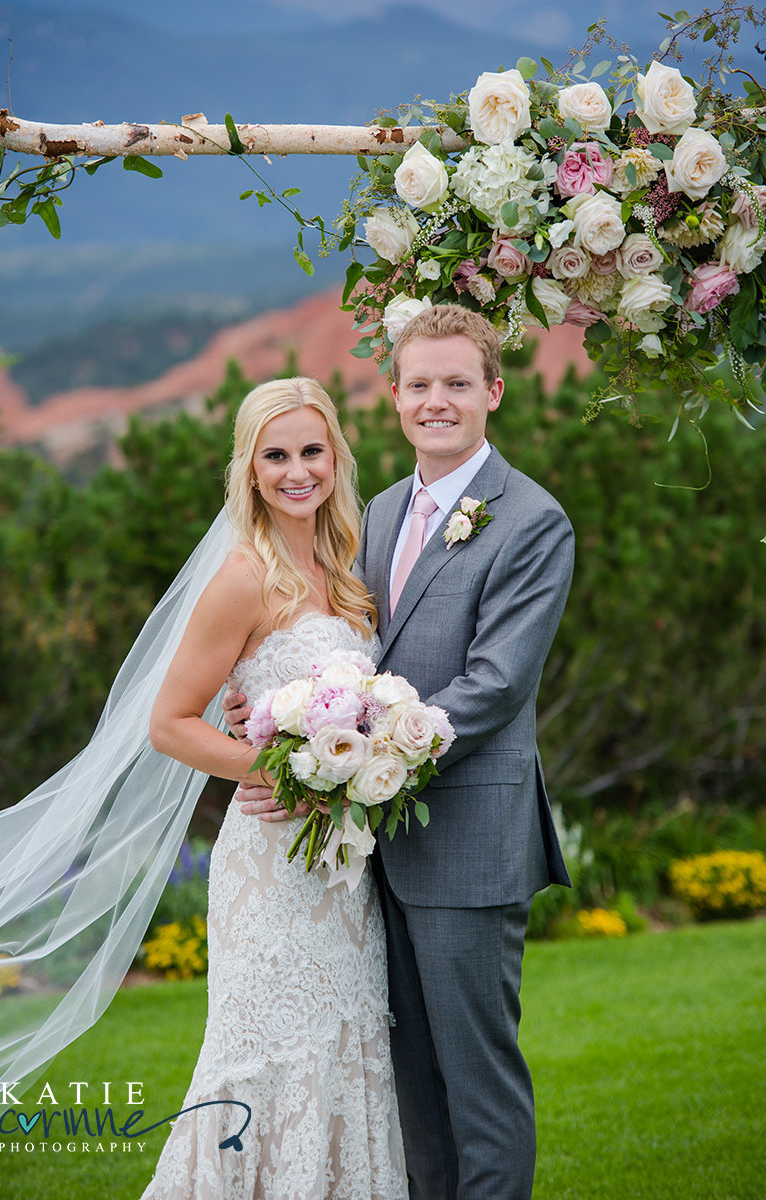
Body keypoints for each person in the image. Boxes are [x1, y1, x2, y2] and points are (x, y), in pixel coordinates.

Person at [229, 306, 575, 1200]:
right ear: (392, 396)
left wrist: (351, 758)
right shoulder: (377, 512)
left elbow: (494, 685)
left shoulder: (533, 521)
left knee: (478, 1085)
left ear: (493, 393)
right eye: (418, 384)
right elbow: (347, 647)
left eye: (457, 383)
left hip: (467, 843)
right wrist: (276, 711)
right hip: (374, 852)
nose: (436, 401)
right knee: (409, 1091)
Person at [139, 377, 407, 1199]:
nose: (298, 471)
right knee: (266, 1055)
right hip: (270, 866)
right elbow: (171, 722)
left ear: (336, 457)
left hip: (345, 870)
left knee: (346, 1047)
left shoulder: (347, 563)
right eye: (277, 455)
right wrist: (276, 772)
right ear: (250, 471)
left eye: (312, 451)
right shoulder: (242, 576)